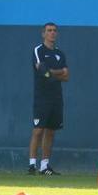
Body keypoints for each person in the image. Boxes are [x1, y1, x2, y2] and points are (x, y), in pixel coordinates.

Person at [28, 22, 69, 176]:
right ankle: (32, 165)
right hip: (42, 98)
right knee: (38, 131)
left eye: (54, 31)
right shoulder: (38, 50)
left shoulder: (60, 54)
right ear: (43, 33)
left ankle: (45, 166)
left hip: (56, 98)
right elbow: (41, 69)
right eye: (49, 30)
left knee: (51, 132)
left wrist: (51, 73)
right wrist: (57, 72)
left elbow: (67, 76)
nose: (52, 33)